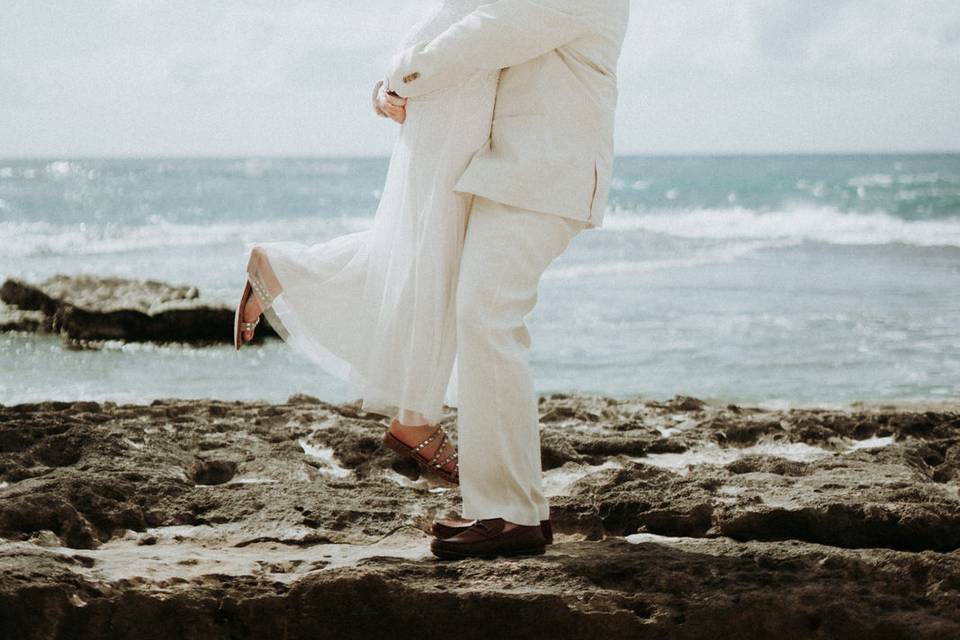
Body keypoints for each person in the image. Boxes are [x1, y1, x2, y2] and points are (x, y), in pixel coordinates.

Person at [236, 0, 629, 560]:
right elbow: (459, 19)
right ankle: (518, 512)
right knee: (451, 291)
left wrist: (403, 76)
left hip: (546, 172)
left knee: (486, 316)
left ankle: (509, 514)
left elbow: (488, 31)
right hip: (505, 170)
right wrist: (390, 84)